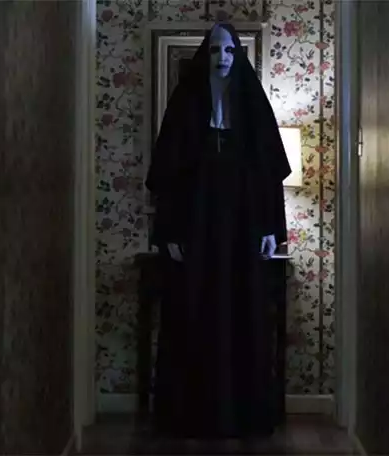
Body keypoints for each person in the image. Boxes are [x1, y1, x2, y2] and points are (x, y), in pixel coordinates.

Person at [145, 23, 290, 439]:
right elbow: (168, 177)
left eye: (228, 50)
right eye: (214, 50)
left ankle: (244, 415)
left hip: (244, 228)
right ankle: (188, 415)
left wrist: (270, 229)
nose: (222, 57)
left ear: (237, 55)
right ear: (205, 56)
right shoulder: (186, 105)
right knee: (192, 312)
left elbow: (269, 175)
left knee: (244, 313)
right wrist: (169, 233)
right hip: (196, 228)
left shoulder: (252, 108)